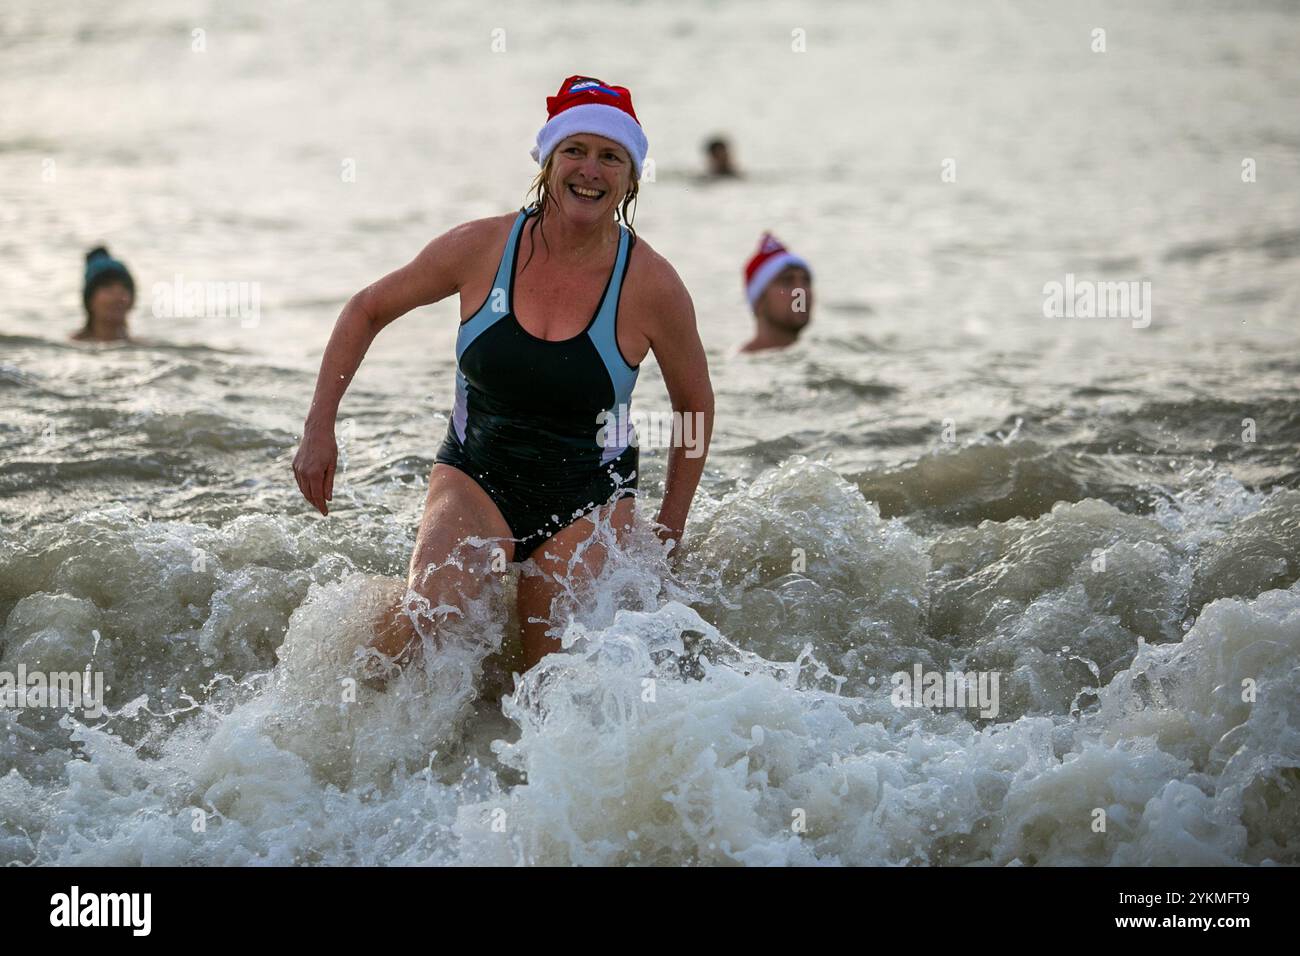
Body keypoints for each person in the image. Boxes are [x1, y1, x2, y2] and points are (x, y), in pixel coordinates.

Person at [293, 74, 714, 676]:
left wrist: (669, 531)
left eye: (610, 157)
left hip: (589, 496)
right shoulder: (480, 248)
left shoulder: (653, 286)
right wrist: (319, 428)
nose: (590, 170)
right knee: (425, 629)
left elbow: (694, 406)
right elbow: (367, 309)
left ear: (630, 178)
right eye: (575, 150)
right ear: (547, 161)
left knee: (549, 681)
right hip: (476, 474)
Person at [739, 232, 814, 352]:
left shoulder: (822, 353)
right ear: (759, 302)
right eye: (787, 281)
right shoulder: (738, 364)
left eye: (806, 281)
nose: (801, 291)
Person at [71, 247, 136, 342]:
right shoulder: (72, 346)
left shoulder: (144, 348)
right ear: (90, 300)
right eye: (108, 287)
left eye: (124, 287)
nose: (118, 296)